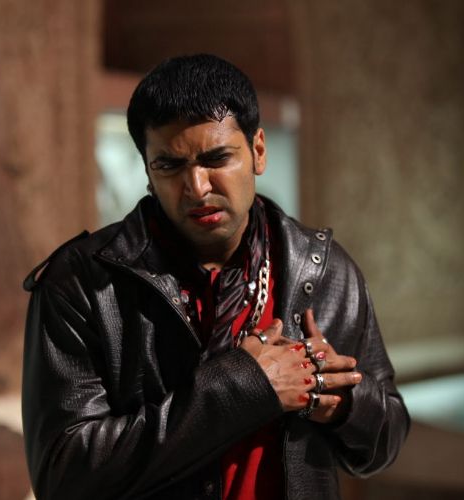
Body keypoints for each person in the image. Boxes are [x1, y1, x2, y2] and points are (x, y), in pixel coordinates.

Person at [21, 54, 409, 500]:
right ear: (147, 171)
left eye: (217, 158)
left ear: (258, 151)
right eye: (169, 165)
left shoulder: (323, 269)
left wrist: (340, 404)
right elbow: (63, 477)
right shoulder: (82, 282)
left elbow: (387, 440)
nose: (198, 187)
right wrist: (246, 386)